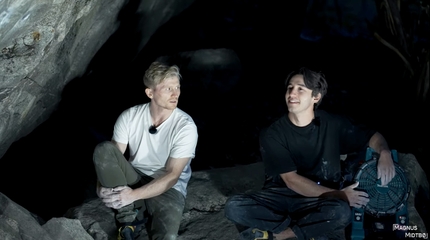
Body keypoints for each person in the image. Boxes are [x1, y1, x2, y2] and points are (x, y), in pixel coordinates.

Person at [224, 67, 396, 240]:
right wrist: (341, 194)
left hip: (320, 198)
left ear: (316, 97)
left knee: (341, 211)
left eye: (300, 89)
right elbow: (291, 181)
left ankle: (279, 235)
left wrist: (385, 153)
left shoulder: (331, 124)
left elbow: (372, 136)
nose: (292, 93)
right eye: (290, 87)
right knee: (234, 206)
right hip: (281, 196)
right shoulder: (273, 133)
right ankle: (309, 228)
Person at [92, 61, 198, 240]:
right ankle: (128, 220)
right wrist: (100, 186)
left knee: (167, 236)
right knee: (103, 149)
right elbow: (111, 156)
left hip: (168, 187)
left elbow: (172, 175)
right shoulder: (130, 116)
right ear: (150, 93)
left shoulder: (185, 126)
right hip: (135, 175)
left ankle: (135, 206)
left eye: (177, 87)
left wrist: (132, 195)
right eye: (168, 89)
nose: (176, 94)